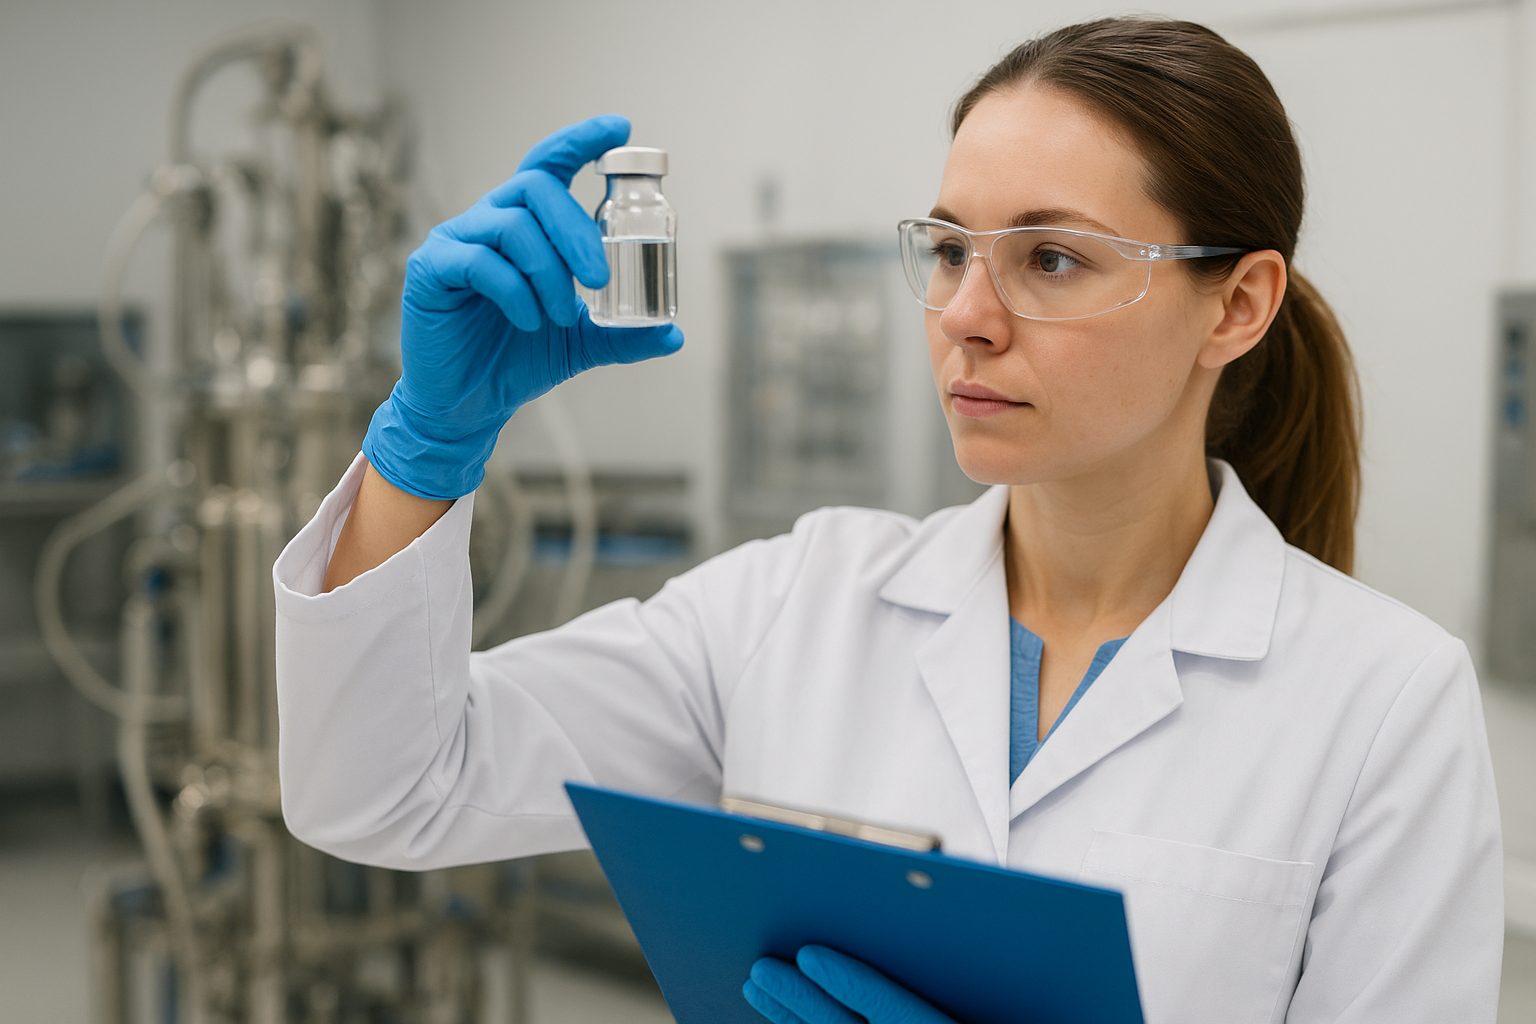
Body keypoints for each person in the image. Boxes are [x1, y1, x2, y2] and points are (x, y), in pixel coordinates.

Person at [273, 14, 1504, 1024]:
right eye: (952, 247)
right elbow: (387, 789)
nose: (968, 311)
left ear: (1235, 305)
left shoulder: (1382, 700)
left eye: (1052, 260)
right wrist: (426, 448)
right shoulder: (797, 604)